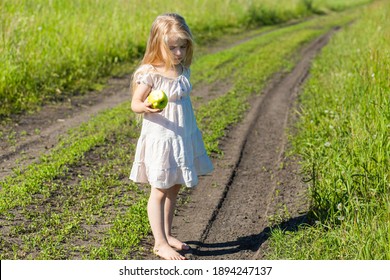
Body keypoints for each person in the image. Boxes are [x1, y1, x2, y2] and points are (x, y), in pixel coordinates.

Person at [129, 13, 214, 260]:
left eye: (182, 46)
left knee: (174, 187)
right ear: (158, 44)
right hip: (162, 139)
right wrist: (145, 107)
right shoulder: (151, 73)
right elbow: (135, 103)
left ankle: (167, 235)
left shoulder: (182, 71)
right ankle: (159, 243)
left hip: (180, 136)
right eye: (172, 47)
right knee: (159, 189)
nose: (178, 52)